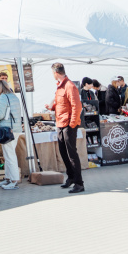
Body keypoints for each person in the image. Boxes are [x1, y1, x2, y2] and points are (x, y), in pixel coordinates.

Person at [46, 63, 83, 193]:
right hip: (60, 123)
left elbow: (77, 107)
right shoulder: (60, 86)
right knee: (63, 152)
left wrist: (72, 124)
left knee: (72, 154)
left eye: (52, 72)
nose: (52, 75)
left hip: (68, 124)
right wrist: (51, 107)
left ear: (55, 72)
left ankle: (79, 183)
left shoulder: (70, 86)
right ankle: (71, 177)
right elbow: (60, 103)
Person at [0, 76, 23, 190]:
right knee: (9, 154)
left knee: (9, 155)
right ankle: (8, 178)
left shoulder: (3, 97)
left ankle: (13, 180)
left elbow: (0, 115)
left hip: (7, 129)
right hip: (16, 129)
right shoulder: (14, 97)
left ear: (0, 88)